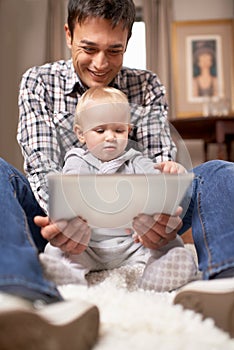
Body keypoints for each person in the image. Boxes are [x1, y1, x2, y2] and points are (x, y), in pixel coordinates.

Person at [0, 0, 232, 343]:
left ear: (128, 39)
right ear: (68, 34)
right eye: (89, 48)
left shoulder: (146, 85)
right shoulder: (39, 82)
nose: (100, 63)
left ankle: (228, 279)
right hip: (57, 226)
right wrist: (66, 217)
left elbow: (158, 163)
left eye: (114, 50)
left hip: (136, 229)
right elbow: (42, 166)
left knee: (219, 171)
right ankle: (19, 294)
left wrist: (160, 210)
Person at [44, 86, 198, 292]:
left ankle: (157, 275)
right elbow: (68, 194)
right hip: (87, 245)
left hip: (133, 243)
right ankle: (69, 276)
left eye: (119, 130)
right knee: (53, 250)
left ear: (128, 131)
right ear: (81, 134)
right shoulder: (76, 161)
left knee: (172, 243)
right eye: (100, 130)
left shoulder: (137, 160)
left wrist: (172, 172)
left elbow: (159, 187)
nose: (110, 137)